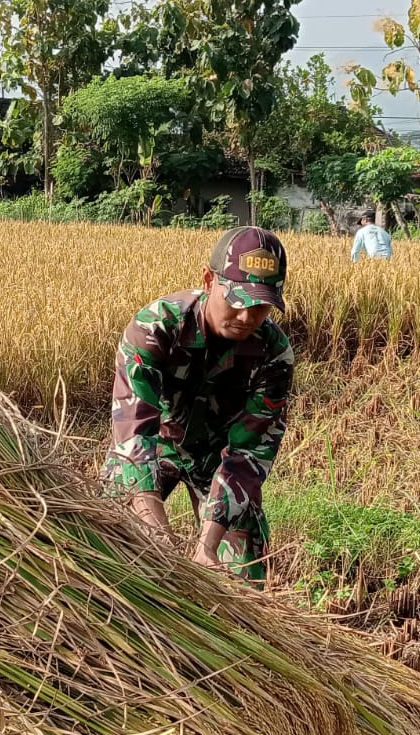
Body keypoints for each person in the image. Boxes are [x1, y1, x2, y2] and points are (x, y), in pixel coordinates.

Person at [102, 226, 293, 585]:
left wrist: (206, 547)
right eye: (237, 301)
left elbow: (248, 455)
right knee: (113, 544)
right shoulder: (155, 328)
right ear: (208, 280)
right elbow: (133, 434)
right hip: (154, 446)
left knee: (244, 575)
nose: (247, 317)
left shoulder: (273, 353)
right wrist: (160, 538)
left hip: (217, 458)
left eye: (261, 307)